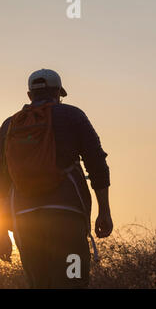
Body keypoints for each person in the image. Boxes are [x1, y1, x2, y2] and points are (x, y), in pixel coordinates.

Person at [0, 69, 113, 288]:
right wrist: (104, 211)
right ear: (58, 93)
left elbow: (2, 182)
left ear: (29, 95)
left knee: (40, 284)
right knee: (74, 280)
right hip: (67, 217)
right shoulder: (72, 115)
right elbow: (97, 164)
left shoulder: (9, 125)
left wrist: (2, 231)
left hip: (25, 221)